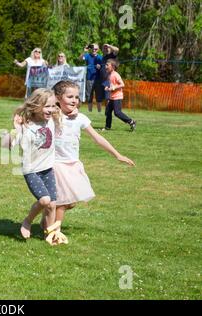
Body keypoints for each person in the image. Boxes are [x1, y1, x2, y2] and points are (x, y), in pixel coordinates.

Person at [44, 80, 135, 245]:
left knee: (69, 203)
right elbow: (40, 109)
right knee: (64, 203)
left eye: (77, 97)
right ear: (58, 98)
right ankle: (55, 233)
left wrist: (117, 155)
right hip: (57, 165)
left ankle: (47, 223)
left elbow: (97, 138)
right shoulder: (53, 116)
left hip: (73, 165)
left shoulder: (80, 118)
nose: (74, 100)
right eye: (69, 97)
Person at [7, 88, 62, 246]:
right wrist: (15, 129)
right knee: (44, 200)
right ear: (36, 106)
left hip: (48, 168)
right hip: (31, 170)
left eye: (53, 106)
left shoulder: (51, 119)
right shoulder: (26, 126)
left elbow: (65, 108)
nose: (51, 110)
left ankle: (49, 235)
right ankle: (27, 221)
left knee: (52, 204)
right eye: (47, 106)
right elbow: (7, 145)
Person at [103, 59, 136, 131]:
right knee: (108, 112)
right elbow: (109, 83)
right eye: (105, 65)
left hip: (117, 97)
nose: (105, 66)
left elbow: (122, 84)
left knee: (117, 113)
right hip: (112, 97)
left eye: (107, 65)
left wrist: (114, 87)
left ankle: (131, 122)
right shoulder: (109, 74)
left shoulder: (116, 74)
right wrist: (107, 87)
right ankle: (107, 127)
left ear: (113, 67)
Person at [79, 44, 103, 112]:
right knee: (89, 96)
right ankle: (90, 112)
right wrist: (84, 51)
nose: (94, 50)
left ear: (98, 50)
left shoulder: (100, 57)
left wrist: (100, 67)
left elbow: (105, 68)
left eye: (96, 49)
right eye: (92, 48)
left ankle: (99, 112)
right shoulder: (87, 55)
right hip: (89, 79)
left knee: (99, 97)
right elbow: (80, 59)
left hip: (98, 79)